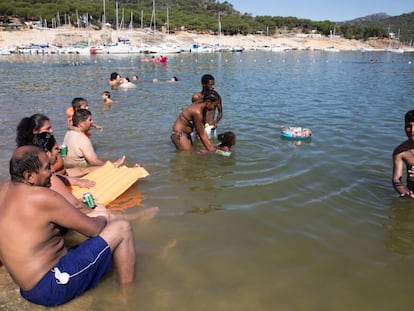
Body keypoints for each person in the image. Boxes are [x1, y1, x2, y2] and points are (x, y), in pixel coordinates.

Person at [0, 145, 135, 306]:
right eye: (46, 168)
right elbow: (94, 229)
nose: (52, 171)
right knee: (122, 227)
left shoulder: (4, 190)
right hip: (50, 287)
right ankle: (129, 298)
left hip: (27, 288)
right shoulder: (43, 197)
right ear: (29, 176)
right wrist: (102, 215)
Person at [392, 110, 414, 198]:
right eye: (409, 126)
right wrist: (402, 190)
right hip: (411, 193)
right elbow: (396, 179)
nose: (412, 130)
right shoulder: (400, 152)